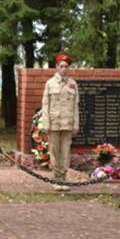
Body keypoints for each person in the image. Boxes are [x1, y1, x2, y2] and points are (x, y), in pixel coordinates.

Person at [40, 54, 80, 191]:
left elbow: (76, 106)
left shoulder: (73, 84)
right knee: (54, 151)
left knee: (65, 151)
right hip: (54, 123)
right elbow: (45, 104)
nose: (63, 69)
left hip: (67, 123)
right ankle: (56, 178)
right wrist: (46, 123)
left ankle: (64, 177)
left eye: (66, 66)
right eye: (61, 66)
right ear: (57, 67)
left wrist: (76, 124)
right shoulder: (50, 83)